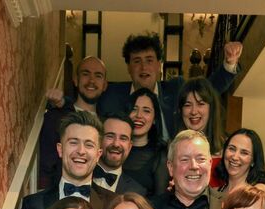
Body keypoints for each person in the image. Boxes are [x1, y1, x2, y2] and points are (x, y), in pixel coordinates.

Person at [12, 110, 111, 209]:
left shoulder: (113, 204)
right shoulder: (33, 205)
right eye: (73, 142)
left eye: (89, 144)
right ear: (60, 149)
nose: (81, 150)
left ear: (98, 154)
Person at [98, 32, 242, 141]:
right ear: (128, 67)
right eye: (137, 61)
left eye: (149, 60)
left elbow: (208, 90)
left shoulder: (175, 88)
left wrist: (229, 64)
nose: (143, 67)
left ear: (159, 65)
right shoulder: (112, 94)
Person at [39, 56, 109, 189]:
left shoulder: (108, 123)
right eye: (85, 74)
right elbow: (45, 167)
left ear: (105, 85)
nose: (92, 81)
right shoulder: (55, 118)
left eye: (98, 76)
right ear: (76, 80)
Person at [150, 130, 217, 209]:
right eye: (184, 160)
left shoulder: (227, 208)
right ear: (170, 168)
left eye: (200, 159)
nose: (193, 166)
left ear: (210, 164)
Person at [175, 77, 225, 187]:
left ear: (211, 108)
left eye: (200, 104)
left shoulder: (228, 149)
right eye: (187, 105)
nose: (193, 111)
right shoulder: (170, 150)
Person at [122, 88, 169, 197]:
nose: (139, 115)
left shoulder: (161, 155)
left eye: (146, 111)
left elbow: (160, 201)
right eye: (134, 109)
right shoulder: (115, 147)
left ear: (154, 119)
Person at [93, 111, 147, 196]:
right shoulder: (78, 174)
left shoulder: (138, 192)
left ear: (130, 146)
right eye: (110, 136)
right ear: (99, 140)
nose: (116, 144)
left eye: (123, 138)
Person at [213, 127, 265, 201]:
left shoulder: (258, 191)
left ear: (253, 161)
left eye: (244, 153)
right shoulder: (215, 192)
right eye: (232, 149)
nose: (235, 157)